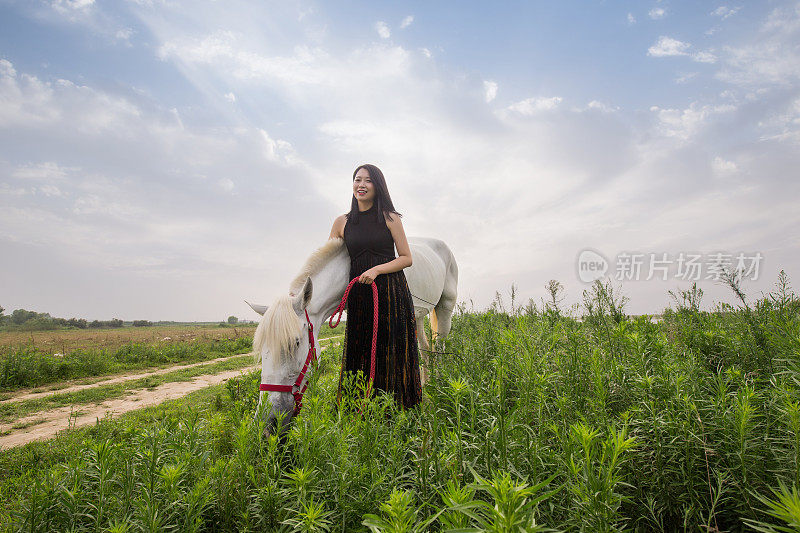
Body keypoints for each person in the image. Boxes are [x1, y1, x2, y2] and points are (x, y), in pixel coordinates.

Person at [328, 163, 422, 409]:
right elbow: (330, 260)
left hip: (390, 293)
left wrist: (377, 269)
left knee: (390, 349)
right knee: (360, 347)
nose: (361, 185)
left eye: (368, 180)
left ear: (377, 186)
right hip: (359, 293)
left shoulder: (390, 218)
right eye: (357, 179)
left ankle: (396, 409)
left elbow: (406, 258)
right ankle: (355, 409)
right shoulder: (342, 222)